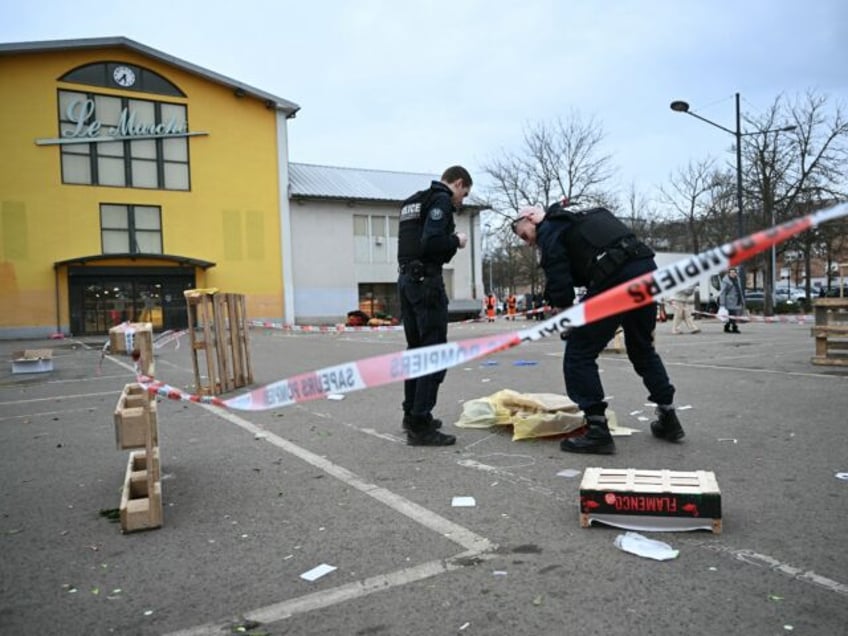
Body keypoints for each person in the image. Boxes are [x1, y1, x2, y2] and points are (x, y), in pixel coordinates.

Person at [511, 202, 685, 455]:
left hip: (615, 275)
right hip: (644, 267)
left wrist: (565, 313)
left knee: (578, 353)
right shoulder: (577, 217)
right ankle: (668, 417)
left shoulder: (548, 228)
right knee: (642, 349)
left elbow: (558, 271)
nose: (528, 243)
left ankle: (597, 430)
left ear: (530, 218)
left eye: (524, 235)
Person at [397, 165, 471, 446]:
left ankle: (412, 414)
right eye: (463, 195)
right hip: (426, 283)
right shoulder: (440, 199)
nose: (460, 201)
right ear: (458, 183)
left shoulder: (412, 201)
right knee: (432, 352)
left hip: (406, 280)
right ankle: (420, 424)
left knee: (415, 350)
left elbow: (412, 242)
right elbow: (432, 242)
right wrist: (457, 240)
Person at [718, 267, 744, 334]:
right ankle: (734, 328)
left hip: (737, 300)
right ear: (729, 273)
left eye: (734, 272)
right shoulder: (725, 281)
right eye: (731, 272)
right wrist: (722, 303)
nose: (733, 274)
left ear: (736, 273)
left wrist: (742, 300)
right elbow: (722, 292)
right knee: (733, 315)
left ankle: (727, 327)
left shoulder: (737, 279)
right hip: (729, 301)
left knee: (732, 315)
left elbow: (740, 290)